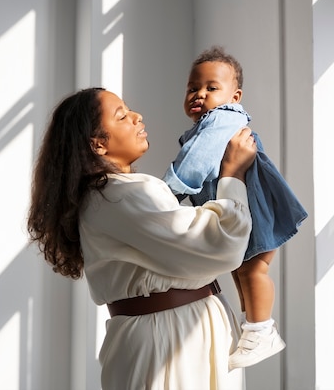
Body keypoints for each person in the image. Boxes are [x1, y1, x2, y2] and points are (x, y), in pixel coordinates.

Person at [28, 87, 257, 389]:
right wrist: (232, 176)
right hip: (166, 341)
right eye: (122, 116)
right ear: (98, 144)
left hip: (179, 334)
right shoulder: (117, 196)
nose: (137, 117)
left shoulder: (114, 193)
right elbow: (218, 244)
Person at [163, 46, 308, 370]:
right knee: (242, 271)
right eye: (192, 88)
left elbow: (194, 164)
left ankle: (262, 330)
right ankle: (252, 328)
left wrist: (167, 194)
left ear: (234, 95)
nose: (199, 94)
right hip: (241, 211)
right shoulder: (204, 126)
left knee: (254, 270)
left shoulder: (223, 118)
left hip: (256, 212)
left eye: (211, 88)